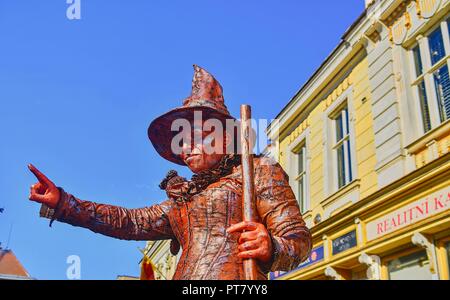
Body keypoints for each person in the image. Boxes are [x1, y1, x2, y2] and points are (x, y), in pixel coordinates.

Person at [28, 65, 311, 280]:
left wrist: (271, 246)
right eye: (181, 140)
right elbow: (130, 221)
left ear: (227, 136)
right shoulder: (185, 198)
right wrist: (64, 203)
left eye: (196, 135)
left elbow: (298, 241)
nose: (186, 147)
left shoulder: (259, 170)